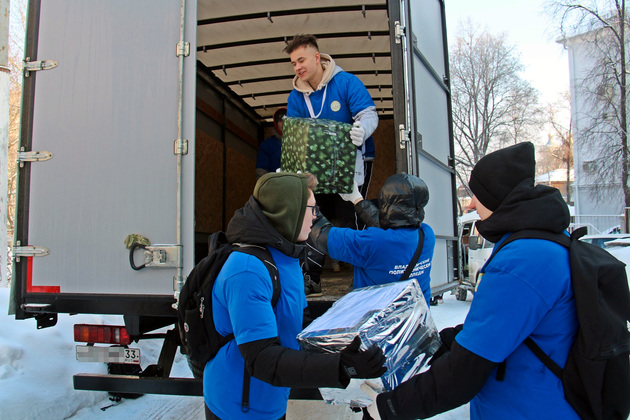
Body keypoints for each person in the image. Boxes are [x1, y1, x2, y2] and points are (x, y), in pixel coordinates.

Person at [360, 142, 579, 419]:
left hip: (530, 410)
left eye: (478, 195)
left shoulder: (523, 262)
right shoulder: (541, 245)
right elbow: (500, 325)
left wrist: (388, 407)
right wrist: (439, 343)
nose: (472, 204)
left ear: (498, 197)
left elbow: (464, 373)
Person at [203, 172, 387, 420]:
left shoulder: (288, 259)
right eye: (311, 209)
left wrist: (346, 350)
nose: (316, 216)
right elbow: (262, 359)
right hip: (237, 407)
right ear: (288, 213)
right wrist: (342, 367)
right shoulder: (247, 271)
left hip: (272, 399)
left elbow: (299, 328)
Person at [283, 34, 379, 294]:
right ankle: (311, 279)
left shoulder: (346, 82)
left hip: (352, 162)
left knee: (352, 218)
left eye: (301, 60)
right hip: (315, 169)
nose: (297, 67)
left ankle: (361, 278)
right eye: (293, 63)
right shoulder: (296, 97)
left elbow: (368, 114)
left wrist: (362, 129)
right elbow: (294, 134)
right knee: (312, 217)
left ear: (317, 57)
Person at [308, 173, 435, 307]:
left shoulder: (371, 242)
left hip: (375, 319)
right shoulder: (426, 235)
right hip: (415, 316)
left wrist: (306, 199)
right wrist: (357, 200)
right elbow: (388, 233)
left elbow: (322, 236)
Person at [255, 107, 287, 179]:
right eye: (280, 121)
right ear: (276, 123)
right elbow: (261, 171)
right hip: (275, 184)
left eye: (286, 120)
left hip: (296, 184)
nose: (283, 123)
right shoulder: (267, 145)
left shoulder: (298, 144)